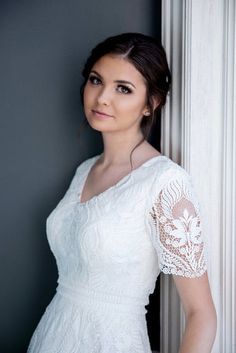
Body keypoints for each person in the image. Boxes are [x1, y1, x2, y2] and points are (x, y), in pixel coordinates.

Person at [27, 32, 217, 353]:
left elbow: (202, 314)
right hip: (52, 335)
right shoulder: (84, 170)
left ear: (151, 103)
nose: (102, 98)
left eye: (123, 89)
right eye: (96, 80)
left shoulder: (165, 182)